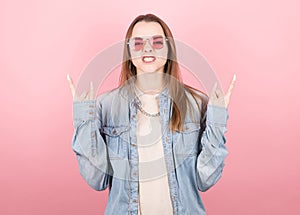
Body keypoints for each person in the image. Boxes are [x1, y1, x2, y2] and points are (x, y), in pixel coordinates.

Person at [67, 13, 236, 215]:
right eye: (138, 43)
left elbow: (204, 179)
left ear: (169, 49)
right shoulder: (106, 106)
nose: (147, 48)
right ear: (128, 51)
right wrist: (84, 119)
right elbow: (97, 179)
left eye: (157, 42)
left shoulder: (196, 103)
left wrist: (217, 120)